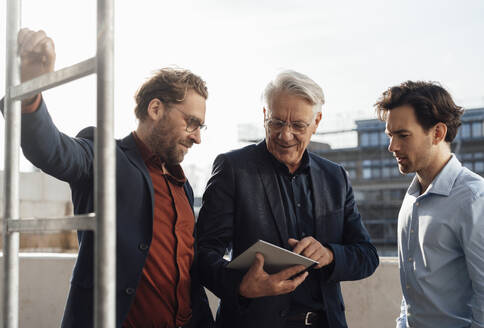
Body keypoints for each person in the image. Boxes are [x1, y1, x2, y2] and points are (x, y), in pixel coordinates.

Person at [0, 28, 214, 328]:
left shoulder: (184, 188)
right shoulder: (106, 157)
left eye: (202, 127)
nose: (197, 138)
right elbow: (51, 150)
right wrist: (30, 88)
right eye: (191, 123)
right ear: (155, 108)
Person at [196, 70, 379, 328]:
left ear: (316, 122)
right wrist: (241, 286)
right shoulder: (233, 168)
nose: (285, 135)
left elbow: (367, 256)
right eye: (277, 122)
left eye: (298, 126)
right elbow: (203, 253)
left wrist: (330, 254)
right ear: (264, 116)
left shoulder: (335, 176)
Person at [375, 81, 484, 328]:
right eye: (390, 136)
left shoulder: (474, 199)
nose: (392, 147)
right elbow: (413, 293)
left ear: (438, 133)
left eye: (403, 135)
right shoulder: (411, 197)